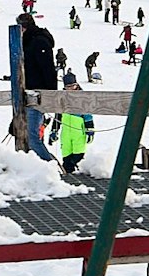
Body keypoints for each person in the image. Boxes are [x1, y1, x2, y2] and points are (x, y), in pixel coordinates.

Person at [16, 13, 57, 159]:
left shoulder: (38, 42)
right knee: (28, 135)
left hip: (38, 93)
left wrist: (51, 95)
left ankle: (50, 166)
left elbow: (48, 69)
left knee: (32, 137)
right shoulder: (27, 41)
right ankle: (39, 166)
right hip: (27, 92)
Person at [55, 80, 94, 174]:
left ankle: (76, 169)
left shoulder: (82, 98)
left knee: (78, 153)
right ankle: (67, 172)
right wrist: (54, 130)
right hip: (66, 131)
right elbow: (58, 116)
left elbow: (88, 115)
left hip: (78, 130)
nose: (71, 88)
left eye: (73, 86)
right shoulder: (62, 98)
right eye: (68, 86)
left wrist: (90, 129)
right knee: (66, 153)